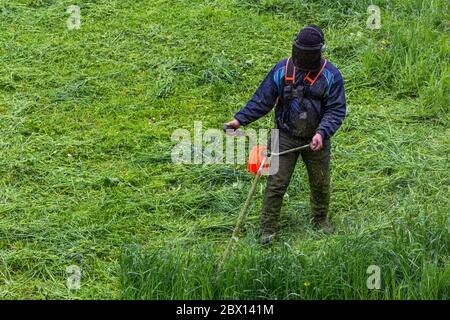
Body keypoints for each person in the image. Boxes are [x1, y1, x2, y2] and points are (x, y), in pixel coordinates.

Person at [225, 25, 347, 245]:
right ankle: (267, 230)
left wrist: (322, 133)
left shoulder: (331, 76)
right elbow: (262, 99)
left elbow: (336, 110)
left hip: (316, 140)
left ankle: (320, 220)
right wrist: (239, 119)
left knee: (320, 182)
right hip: (284, 135)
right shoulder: (282, 70)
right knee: (276, 185)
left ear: (319, 52)